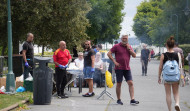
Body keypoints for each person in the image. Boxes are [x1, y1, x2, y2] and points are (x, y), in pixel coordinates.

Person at [107, 35, 139, 105]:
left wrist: (129, 49)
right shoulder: (116, 46)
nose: (124, 40)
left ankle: (132, 99)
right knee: (119, 83)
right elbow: (109, 53)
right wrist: (114, 61)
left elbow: (134, 55)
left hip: (127, 68)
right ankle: (119, 100)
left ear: (127, 39)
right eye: (123, 38)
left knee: (130, 83)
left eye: (126, 38)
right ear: (121, 39)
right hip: (119, 68)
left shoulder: (129, 46)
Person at [158, 36, 181, 111]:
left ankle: (170, 110)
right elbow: (180, 66)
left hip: (167, 77)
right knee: (176, 92)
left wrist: (159, 77)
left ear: (166, 45)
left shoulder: (163, 55)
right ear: (174, 45)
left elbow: (160, 67)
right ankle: (177, 103)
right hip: (175, 77)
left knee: (168, 94)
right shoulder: (177, 54)